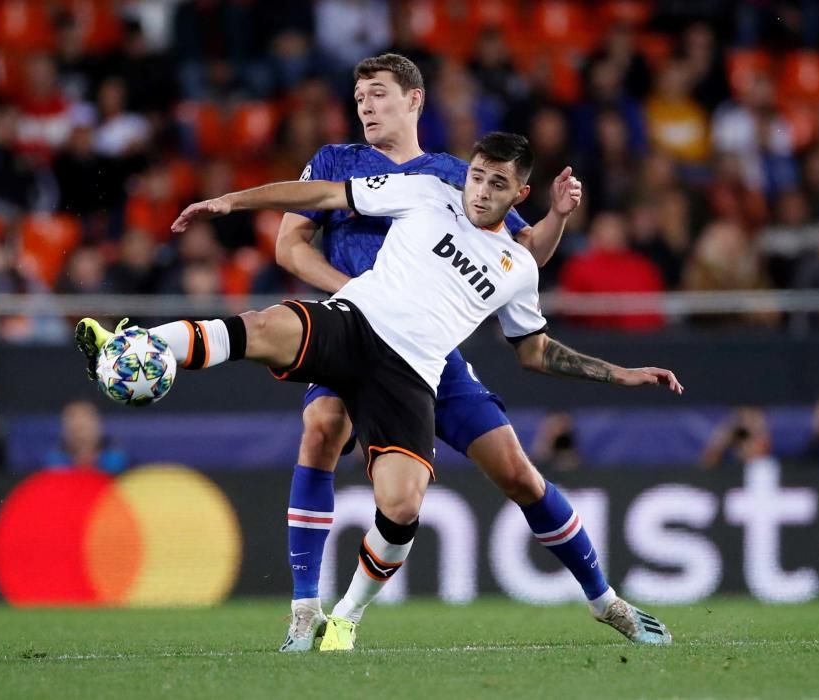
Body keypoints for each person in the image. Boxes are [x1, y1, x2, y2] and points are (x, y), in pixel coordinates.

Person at [76, 132, 683, 651]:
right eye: (476, 177)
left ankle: (347, 617)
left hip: (413, 373)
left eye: (497, 185)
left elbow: (534, 350)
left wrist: (623, 373)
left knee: (402, 506)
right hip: (355, 323)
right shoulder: (426, 192)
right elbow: (319, 195)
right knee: (264, 329)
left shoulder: (518, 269)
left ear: (519, 195)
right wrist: (232, 200)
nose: (480, 191)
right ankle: (133, 348)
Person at [271, 53, 653, 653]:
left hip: (430, 356)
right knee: (321, 425)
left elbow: (524, 253)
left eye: (377, 94)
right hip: (353, 337)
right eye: (360, 97)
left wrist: (558, 214)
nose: (364, 106)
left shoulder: (458, 173)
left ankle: (605, 599)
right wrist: (362, 298)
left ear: (414, 99)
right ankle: (304, 609)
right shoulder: (334, 161)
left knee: (517, 471)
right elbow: (289, 249)